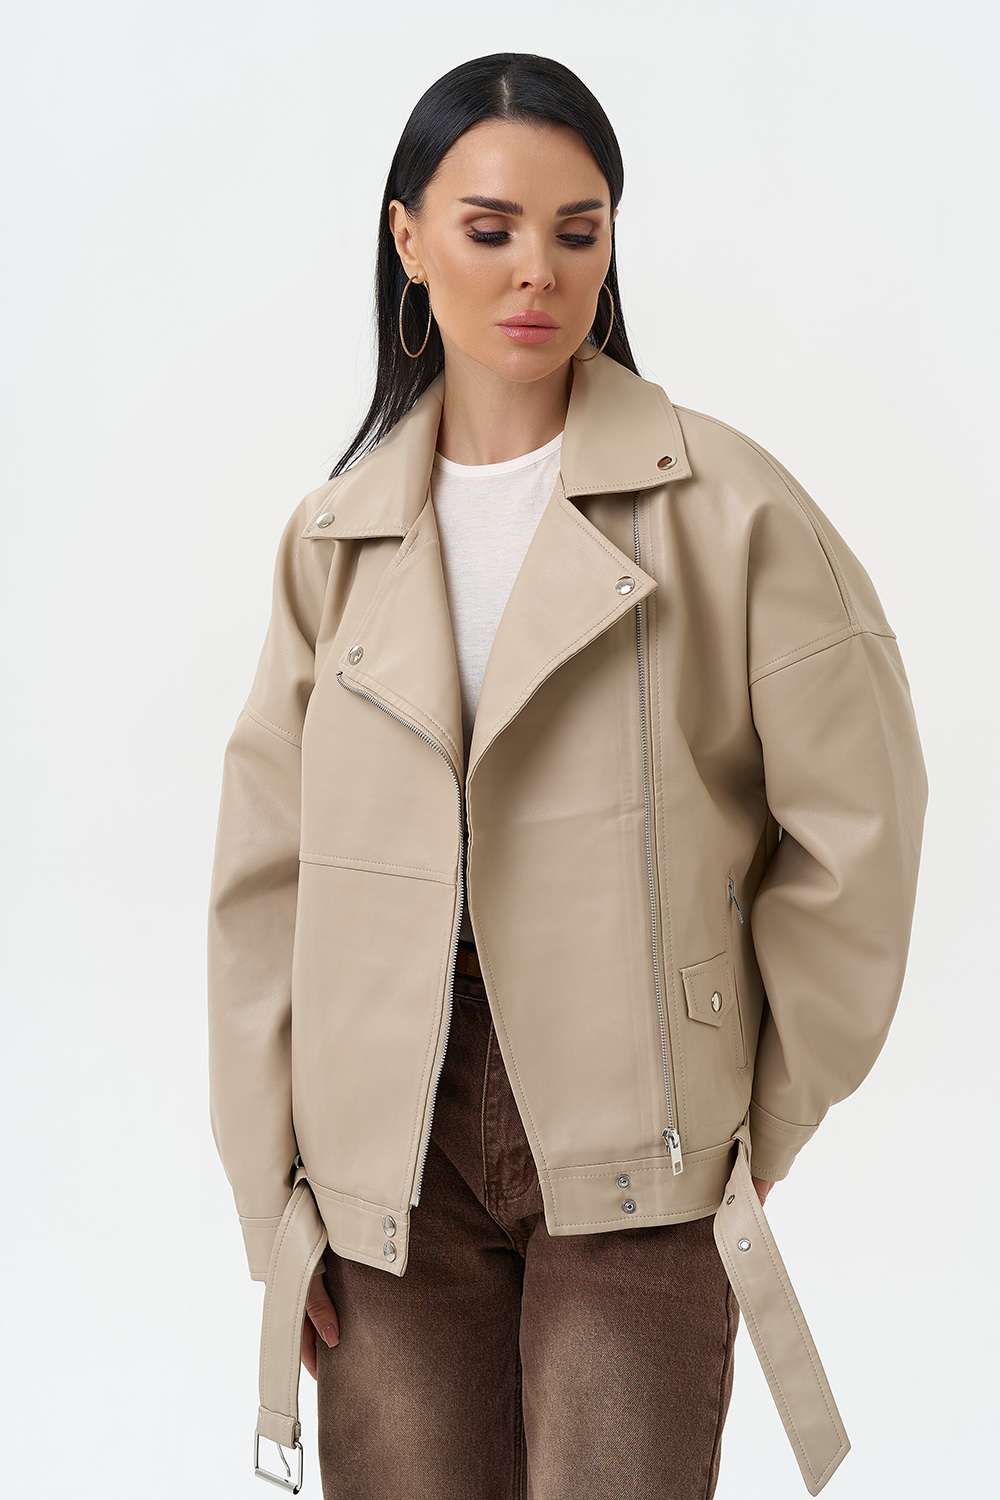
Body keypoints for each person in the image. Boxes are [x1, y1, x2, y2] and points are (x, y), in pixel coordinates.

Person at [207, 51, 928, 1500]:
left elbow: (861, 825)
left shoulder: (728, 508)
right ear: (409, 240)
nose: (538, 269)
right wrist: (271, 1182)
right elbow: (265, 876)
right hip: (387, 1148)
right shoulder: (332, 540)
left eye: (577, 229)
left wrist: (768, 1103)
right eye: (490, 229)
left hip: (637, 1124)